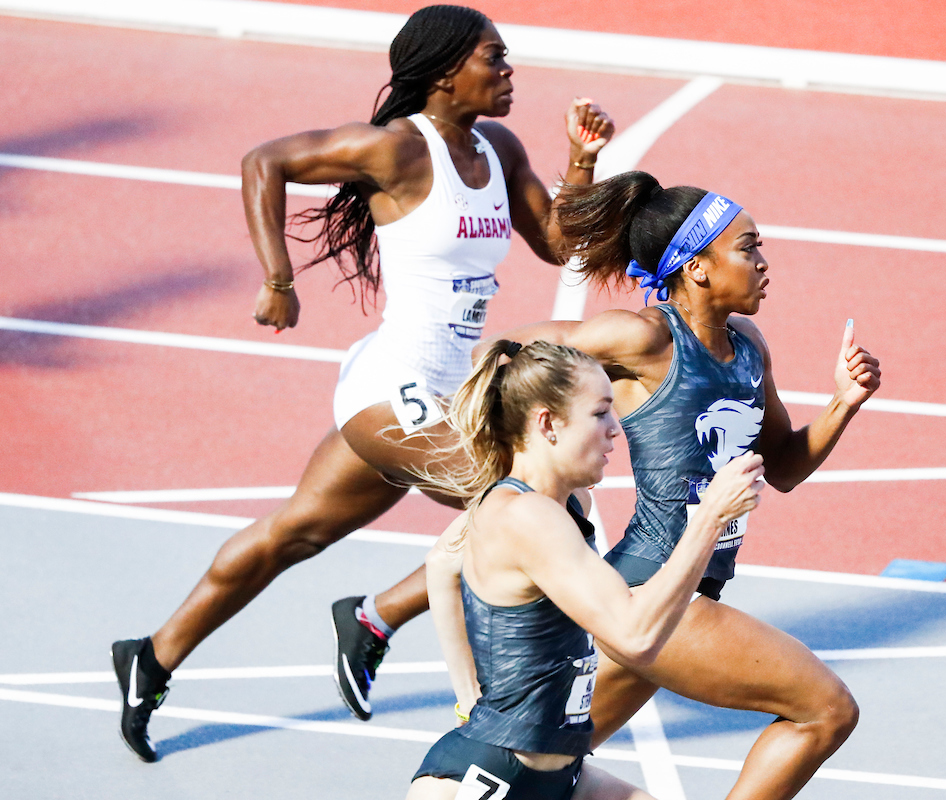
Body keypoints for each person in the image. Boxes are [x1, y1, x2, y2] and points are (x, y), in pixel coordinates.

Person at [110, 4, 615, 763]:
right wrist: (278, 279)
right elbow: (264, 161)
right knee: (528, 509)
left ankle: (152, 656)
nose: (509, 71)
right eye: (494, 58)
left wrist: (580, 163)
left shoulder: (500, 150)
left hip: (450, 393)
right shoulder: (395, 150)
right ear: (445, 73)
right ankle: (383, 622)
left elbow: (555, 242)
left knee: (296, 533)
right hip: (391, 384)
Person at [469, 170, 883, 800]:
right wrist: (530, 463)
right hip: (656, 585)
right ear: (697, 268)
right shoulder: (643, 338)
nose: (763, 262)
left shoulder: (748, 346)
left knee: (541, 765)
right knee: (825, 711)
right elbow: (503, 353)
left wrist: (842, 403)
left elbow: (784, 468)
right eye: (748, 247)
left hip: (679, 588)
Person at [407, 338, 765, 800]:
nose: (616, 429)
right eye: (599, 413)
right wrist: (710, 517)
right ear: (547, 424)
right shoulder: (525, 515)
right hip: (492, 777)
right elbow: (635, 637)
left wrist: (468, 699)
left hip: (562, 776)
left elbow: (442, 564)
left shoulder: (568, 503)